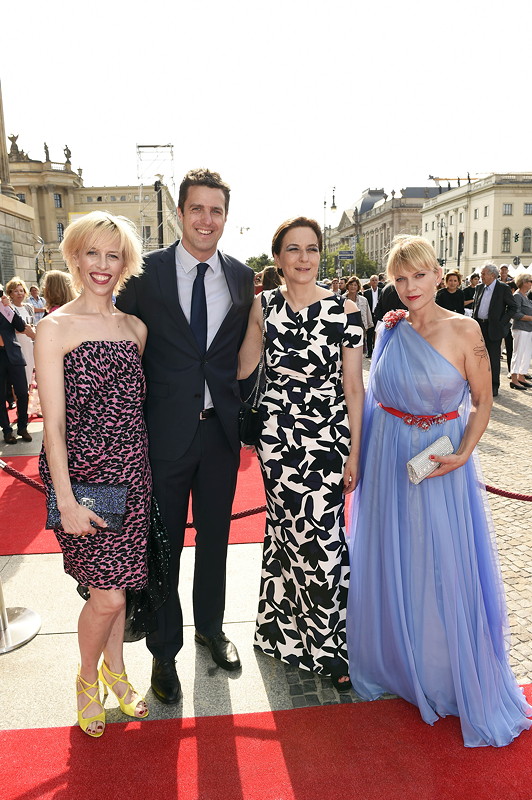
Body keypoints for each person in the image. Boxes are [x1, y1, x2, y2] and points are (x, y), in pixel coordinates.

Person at [346, 235, 531, 747]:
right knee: (396, 557)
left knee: (438, 561)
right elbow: (377, 395)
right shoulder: (392, 329)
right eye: (400, 279)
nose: (409, 287)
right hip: (389, 461)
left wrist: (466, 452)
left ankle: (443, 670)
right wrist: (363, 455)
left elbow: (483, 400)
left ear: (437, 274)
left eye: (419, 276)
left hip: (439, 463)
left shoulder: (465, 329)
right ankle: (401, 662)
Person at [116, 168, 254, 703]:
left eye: (216, 211)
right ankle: (163, 654)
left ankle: (211, 630)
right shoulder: (142, 275)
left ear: (225, 216)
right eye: (196, 209)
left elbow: (245, 350)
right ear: (180, 213)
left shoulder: (242, 279)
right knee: (164, 547)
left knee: (215, 542)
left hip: (218, 435)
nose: (206, 219)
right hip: (162, 436)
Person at [35, 211, 150, 738]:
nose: (102, 265)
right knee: (107, 595)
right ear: (75, 259)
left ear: (125, 262)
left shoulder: (135, 329)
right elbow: (52, 425)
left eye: (112, 255)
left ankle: (117, 673)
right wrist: (66, 499)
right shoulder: (54, 327)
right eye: (91, 254)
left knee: (118, 587)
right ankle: (88, 679)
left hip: (134, 475)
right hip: (83, 481)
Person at [238, 217, 364, 690]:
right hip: (276, 439)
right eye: (294, 249)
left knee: (325, 543)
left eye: (312, 248)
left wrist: (355, 450)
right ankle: (281, 635)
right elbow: (245, 368)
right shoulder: (262, 306)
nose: (305, 258)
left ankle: (332, 647)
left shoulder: (345, 310)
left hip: (328, 439)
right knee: (287, 535)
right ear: (278, 258)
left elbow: (354, 385)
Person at [472, 263, 517, 396]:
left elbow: (513, 307)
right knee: (477, 357)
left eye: (483, 274)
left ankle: (493, 386)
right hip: (479, 327)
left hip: (493, 328)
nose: (481, 276)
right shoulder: (479, 287)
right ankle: (477, 384)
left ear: (492, 275)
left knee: (493, 358)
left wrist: (501, 322)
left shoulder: (503, 288)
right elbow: (476, 305)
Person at [0, 284, 30, 444]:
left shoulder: (5, 308)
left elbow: (20, 326)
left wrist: (8, 307)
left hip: (13, 354)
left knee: (22, 393)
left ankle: (23, 426)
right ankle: (6, 430)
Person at [5, 277, 36, 388]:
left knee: (29, 374)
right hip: (17, 346)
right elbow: (7, 329)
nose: (19, 293)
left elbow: (33, 324)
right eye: (16, 291)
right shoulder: (8, 309)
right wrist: (22, 330)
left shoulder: (29, 307)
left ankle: (26, 397)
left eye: (21, 290)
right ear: (10, 293)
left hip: (29, 344)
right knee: (18, 379)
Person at [509, 273, 532, 389]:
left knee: (526, 354)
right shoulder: (517, 295)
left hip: (528, 329)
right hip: (520, 328)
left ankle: (521, 376)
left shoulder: (525, 296)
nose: (531, 283)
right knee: (518, 353)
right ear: (524, 282)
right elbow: (515, 314)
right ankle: (514, 378)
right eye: (530, 281)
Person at [346, 276, 373, 354]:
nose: (353, 287)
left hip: (360, 328)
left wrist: (368, 325)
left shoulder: (363, 300)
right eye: (351, 284)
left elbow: (367, 313)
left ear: (358, 287)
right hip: (346, 328)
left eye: (355, 285)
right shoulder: (343, 299)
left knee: (359, 351)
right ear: (348, 286)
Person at [363, 275, 382, 356]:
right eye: (373, 280)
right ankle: (369, 351)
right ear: (370, 282)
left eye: (376, 280)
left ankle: (377, 351)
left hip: (378, 315)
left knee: (378, 333)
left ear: (378, 281)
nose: (374, 282)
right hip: (370, 314)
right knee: (370, 334)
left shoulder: (382, 291)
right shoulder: (366, 293)